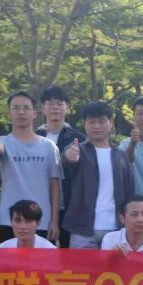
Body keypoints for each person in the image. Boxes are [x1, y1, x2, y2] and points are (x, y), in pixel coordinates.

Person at [0, 91, 62, 245]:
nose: (21, 112)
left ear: (34, 113)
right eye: (16, 108)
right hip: (10, 221)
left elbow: (55, 186)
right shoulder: (2, 142)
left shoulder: (49, 146)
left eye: (26, 108)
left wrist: (54, 221)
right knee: (10, 261)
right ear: (9, 114)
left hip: (40, 221)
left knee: (42, 261)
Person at [62, 101, 134, 249]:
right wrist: (70, 156)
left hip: (115, 228)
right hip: (83, 228)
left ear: (111, 123)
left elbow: (129, 192)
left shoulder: (121, 156)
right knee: (81, 265)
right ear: (85, 124)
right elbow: (68, 159)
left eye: (101, 121)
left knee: (115, 265)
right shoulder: (78, 150)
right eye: (91, 122)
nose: (96, 126)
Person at [36, 85, 85, 248]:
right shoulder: (34, 137)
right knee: (41, 255)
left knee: (70, 255)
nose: (55, 107)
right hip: (39, 206)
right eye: (50, 103)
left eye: (59, 103)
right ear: (42, 108)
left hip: (71, 207)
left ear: (67, 107)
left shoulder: (79, 139)